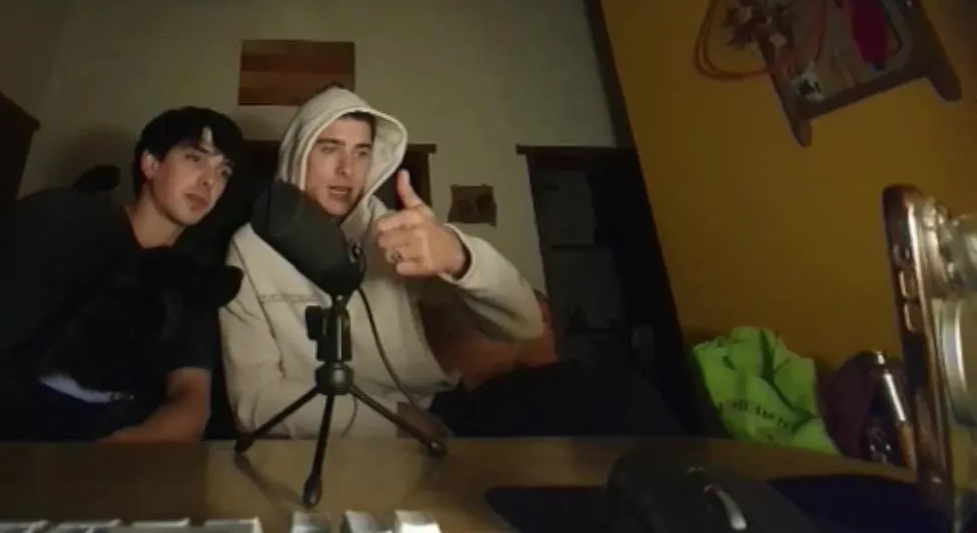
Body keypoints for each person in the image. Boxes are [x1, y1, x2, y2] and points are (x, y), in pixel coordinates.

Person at [220, 86, 683, 440]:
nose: (347, 169)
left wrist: (459, 256)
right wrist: (394, 421)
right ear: (297, 154)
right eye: (329, 148)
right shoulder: (249, 250)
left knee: (623, 396)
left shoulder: (394, 230)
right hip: (332, 431)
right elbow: (254, 402)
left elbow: (523, 324)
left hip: (441, 408)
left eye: (361, 152)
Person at [0, 106, 247, 442]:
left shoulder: (188, 274)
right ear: (150, 163)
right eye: (195, 158)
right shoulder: (63, 222)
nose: (209, 181)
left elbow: (191, 403)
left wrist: (109, 467)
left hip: (107, 478)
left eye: (223, 171)